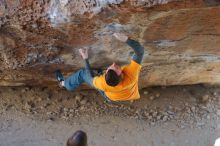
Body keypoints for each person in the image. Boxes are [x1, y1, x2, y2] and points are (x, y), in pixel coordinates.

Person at [55, 33, 145, 102]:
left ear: (105, 75)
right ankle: (98, 72)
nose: (113, 64)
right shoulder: (131, 75)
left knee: (82, 73)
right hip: (127, 94)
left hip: (109, 95)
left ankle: (64, 84)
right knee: (95, 73)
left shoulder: (101, 83)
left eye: (114, 67)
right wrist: (126, 39)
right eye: (115, 67)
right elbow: (140, 51)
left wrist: (85, 58)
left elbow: (88, 75)